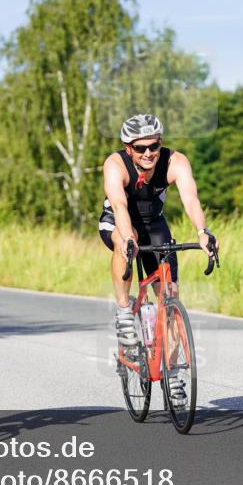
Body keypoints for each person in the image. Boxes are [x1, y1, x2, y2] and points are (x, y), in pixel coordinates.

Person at [99, 114, 219, 404]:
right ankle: (124, 310)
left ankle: (174, 375)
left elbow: (191, 199)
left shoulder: (176, 161)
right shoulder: (115, 164)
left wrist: (203, 232)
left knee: (170, 298)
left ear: (160, 143)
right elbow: (119, 204)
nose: (148, 153)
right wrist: (129, 238)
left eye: (153, 146)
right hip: (119, 221)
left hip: (154, 224)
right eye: (140, 148)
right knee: (120, 241)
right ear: (129, 148)